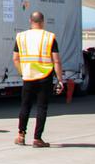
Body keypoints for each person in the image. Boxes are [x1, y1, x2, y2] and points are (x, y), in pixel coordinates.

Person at [13, 12, 64, 148]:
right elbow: (56, 61)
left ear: (30, 21)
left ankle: (21, 135)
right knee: (41, 108)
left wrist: (22, 72)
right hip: (44, 77)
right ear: (43, 21)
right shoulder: (49, 37)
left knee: (25, 106)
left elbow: (15, 58)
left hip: (28, 76)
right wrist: (60, 79)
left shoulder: (21, 37)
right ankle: (37, 138)